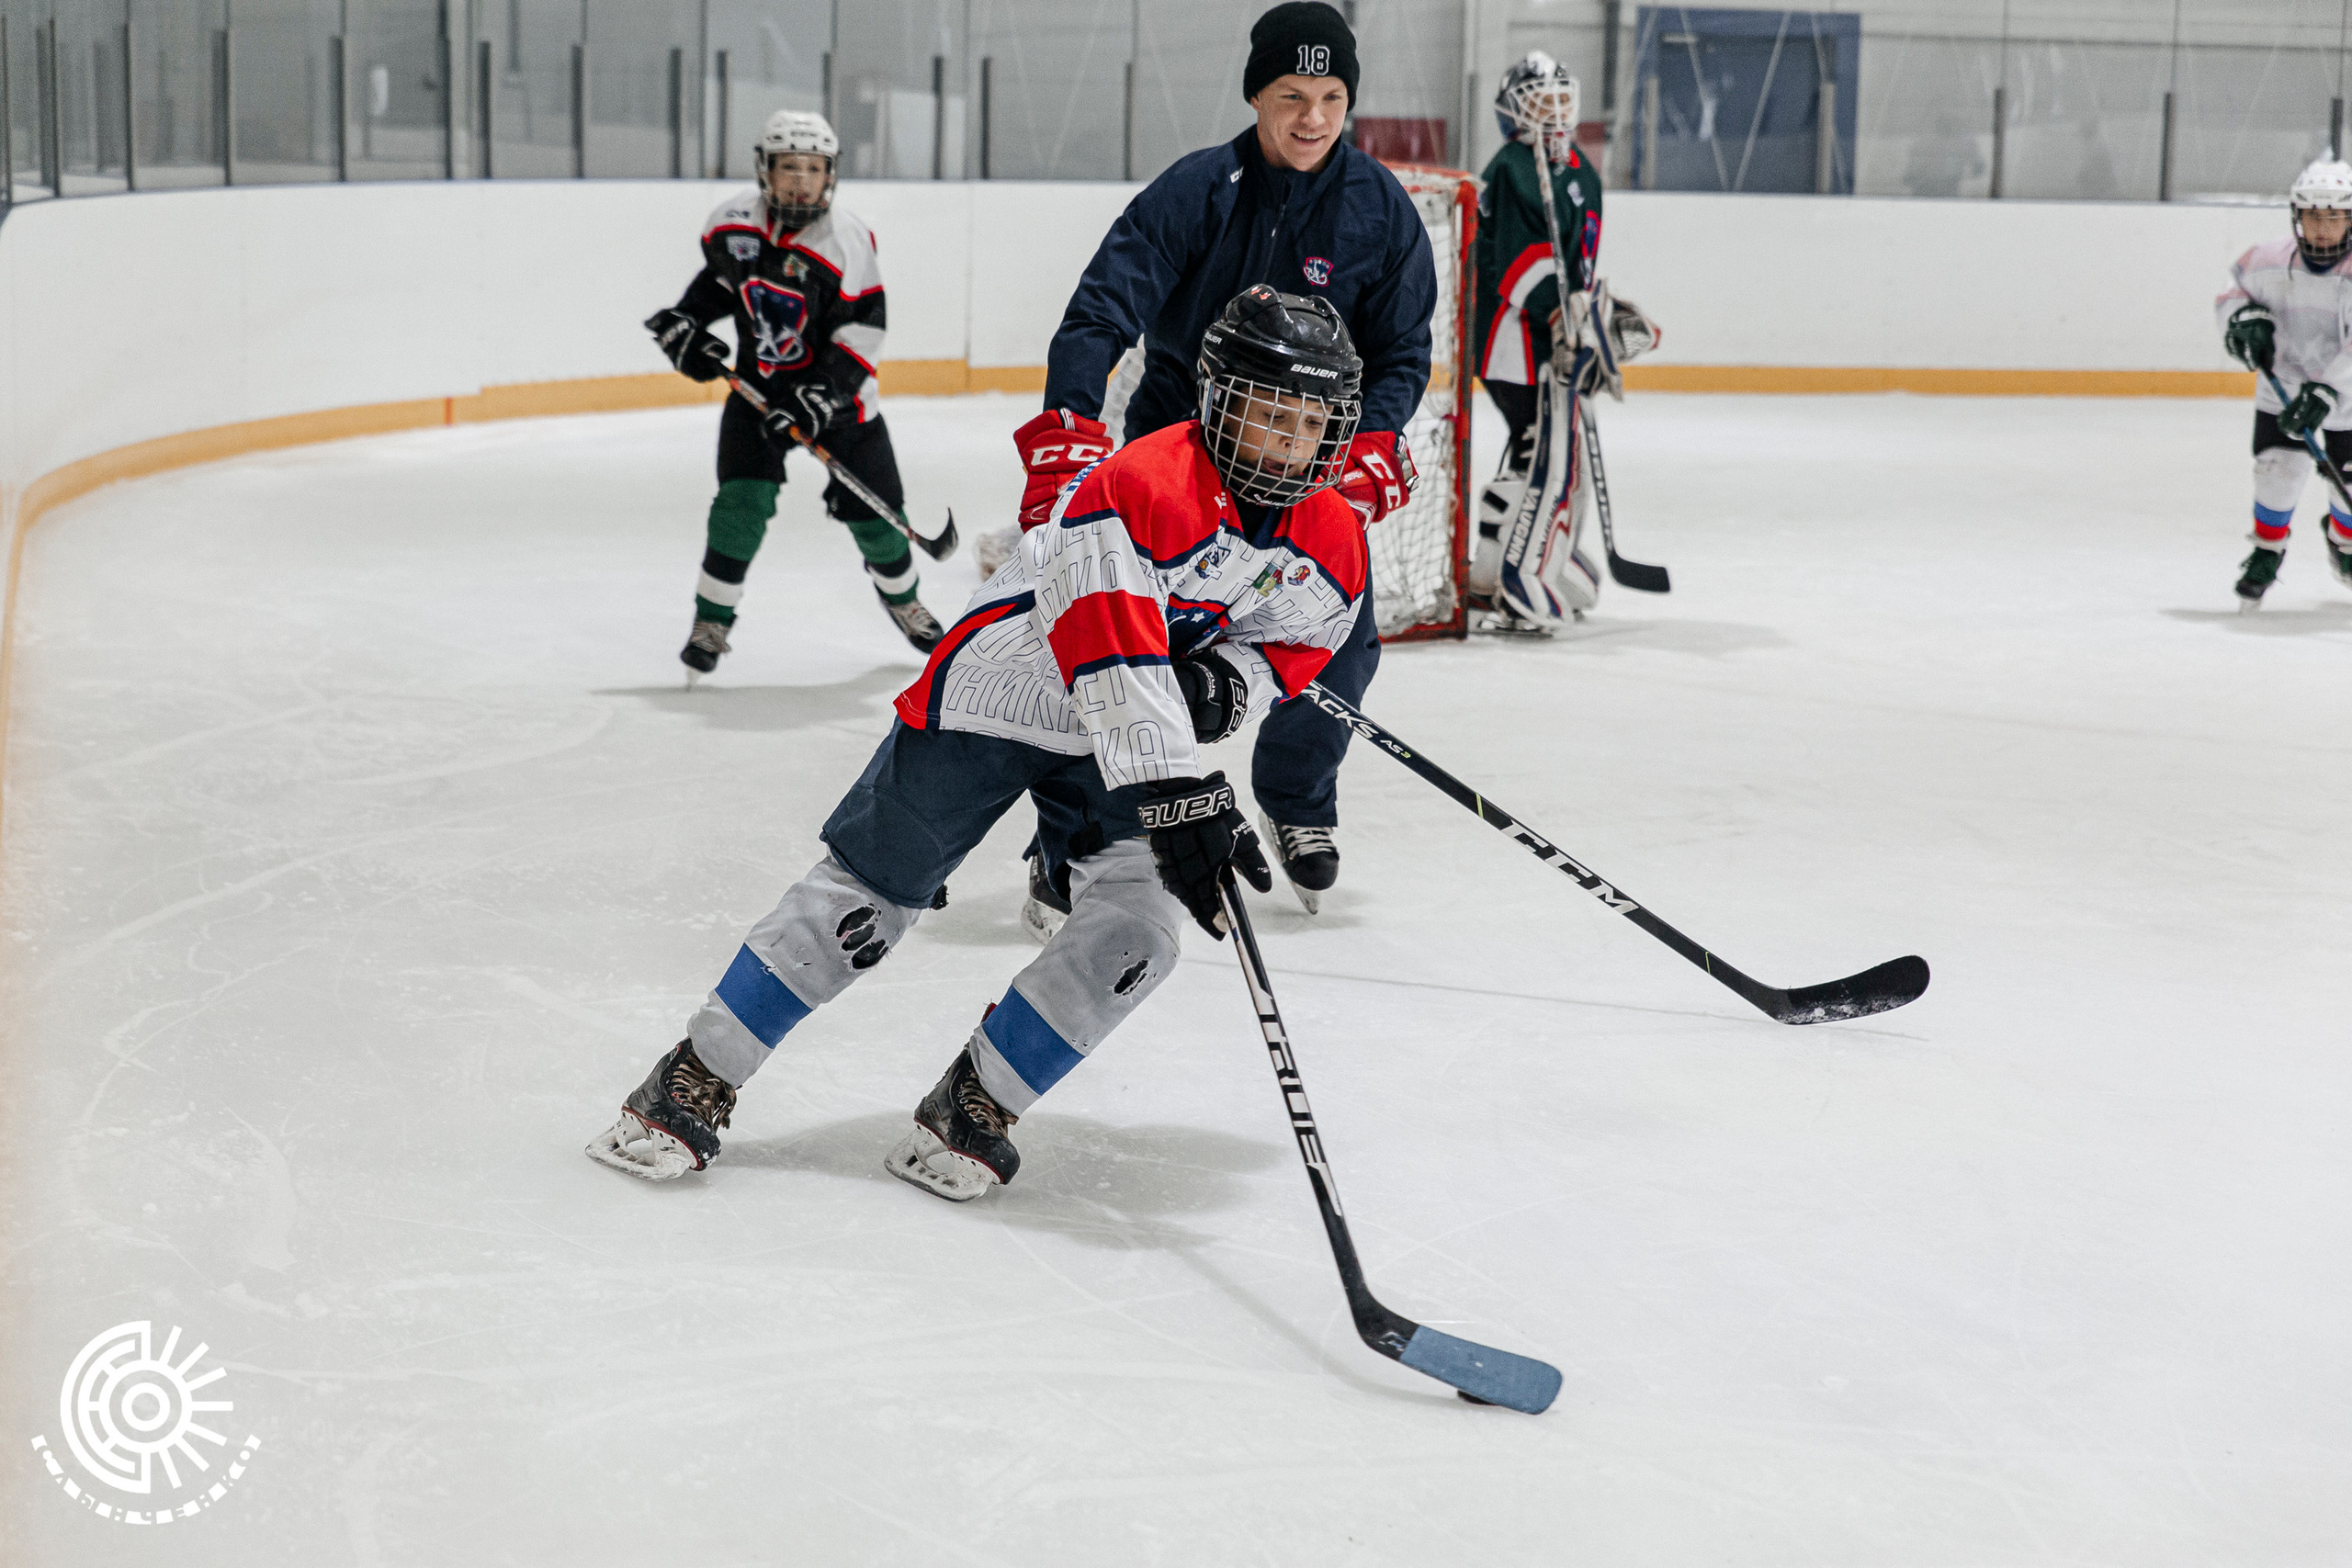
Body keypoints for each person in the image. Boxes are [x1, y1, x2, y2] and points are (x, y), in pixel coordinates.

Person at [585, 286, 1369, 1201]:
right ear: (1218, 403)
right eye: (1268, 415)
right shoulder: (1136, 488)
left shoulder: (1332, 537)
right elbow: (1104, 656)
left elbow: (1297, 638)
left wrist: (1228, 683)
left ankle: (973, 1103)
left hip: (1125, 730)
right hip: (1007, 692)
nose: (1288, 442)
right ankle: (693, 1076)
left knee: (1141, 933)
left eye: (1309, 423)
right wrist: (1182, 790)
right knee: (862, 908)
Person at [1010, 0, 1436, 923]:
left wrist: (1370, 441)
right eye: (1291, 94)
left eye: (1330, 96)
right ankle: (1066, 839)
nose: (1312, 116)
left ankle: (1297, 804)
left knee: (1338, 631)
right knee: (1112, 643)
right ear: (1256, 96)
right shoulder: (1197, 189)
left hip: (1306, 460)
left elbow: (1403, 349)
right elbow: (1099, 311)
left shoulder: (1379, 210)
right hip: (1179, 448)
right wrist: (1069, 425)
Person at [643, 109, 945, 678]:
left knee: (878, 519)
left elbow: (863, 332)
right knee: (739, 506)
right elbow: (717, 285)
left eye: (813, 168)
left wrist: (816, 400)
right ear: (765, 170)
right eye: (789, 167)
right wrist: (687, 327)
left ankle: (904, 600)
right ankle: (711, 621)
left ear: (830, 174)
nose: (801, 180)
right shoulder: (731, 224)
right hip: (758, 393)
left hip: (842, 402)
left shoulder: (848, 241)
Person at [1470, 52, 1603, 626]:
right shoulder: (1511, 169)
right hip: (1512, 343)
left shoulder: (1580, 170)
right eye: (1538, 100)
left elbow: (1583, 261)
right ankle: (1513, 574)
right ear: (1514, 112)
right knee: (1539, 452)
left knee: (1537, 450)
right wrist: (1557, 314)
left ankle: (1496, 565)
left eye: (1559, 98)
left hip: (1555, 342)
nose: (1552, 110)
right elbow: (1516, 264)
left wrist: (1591, 319)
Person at [2218, 156, 2352, 608]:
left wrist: (2330, 389)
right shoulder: (2266, 260)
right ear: (2297, 217)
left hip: (2349, 395)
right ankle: (2266, 550)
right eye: (2313, 215)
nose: (2321, 228)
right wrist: (2243, 319)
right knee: (2278, 469)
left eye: (2333, 217)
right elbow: (2233, 293)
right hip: (2287, 384)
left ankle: (2345, 543)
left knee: (2349, 482)